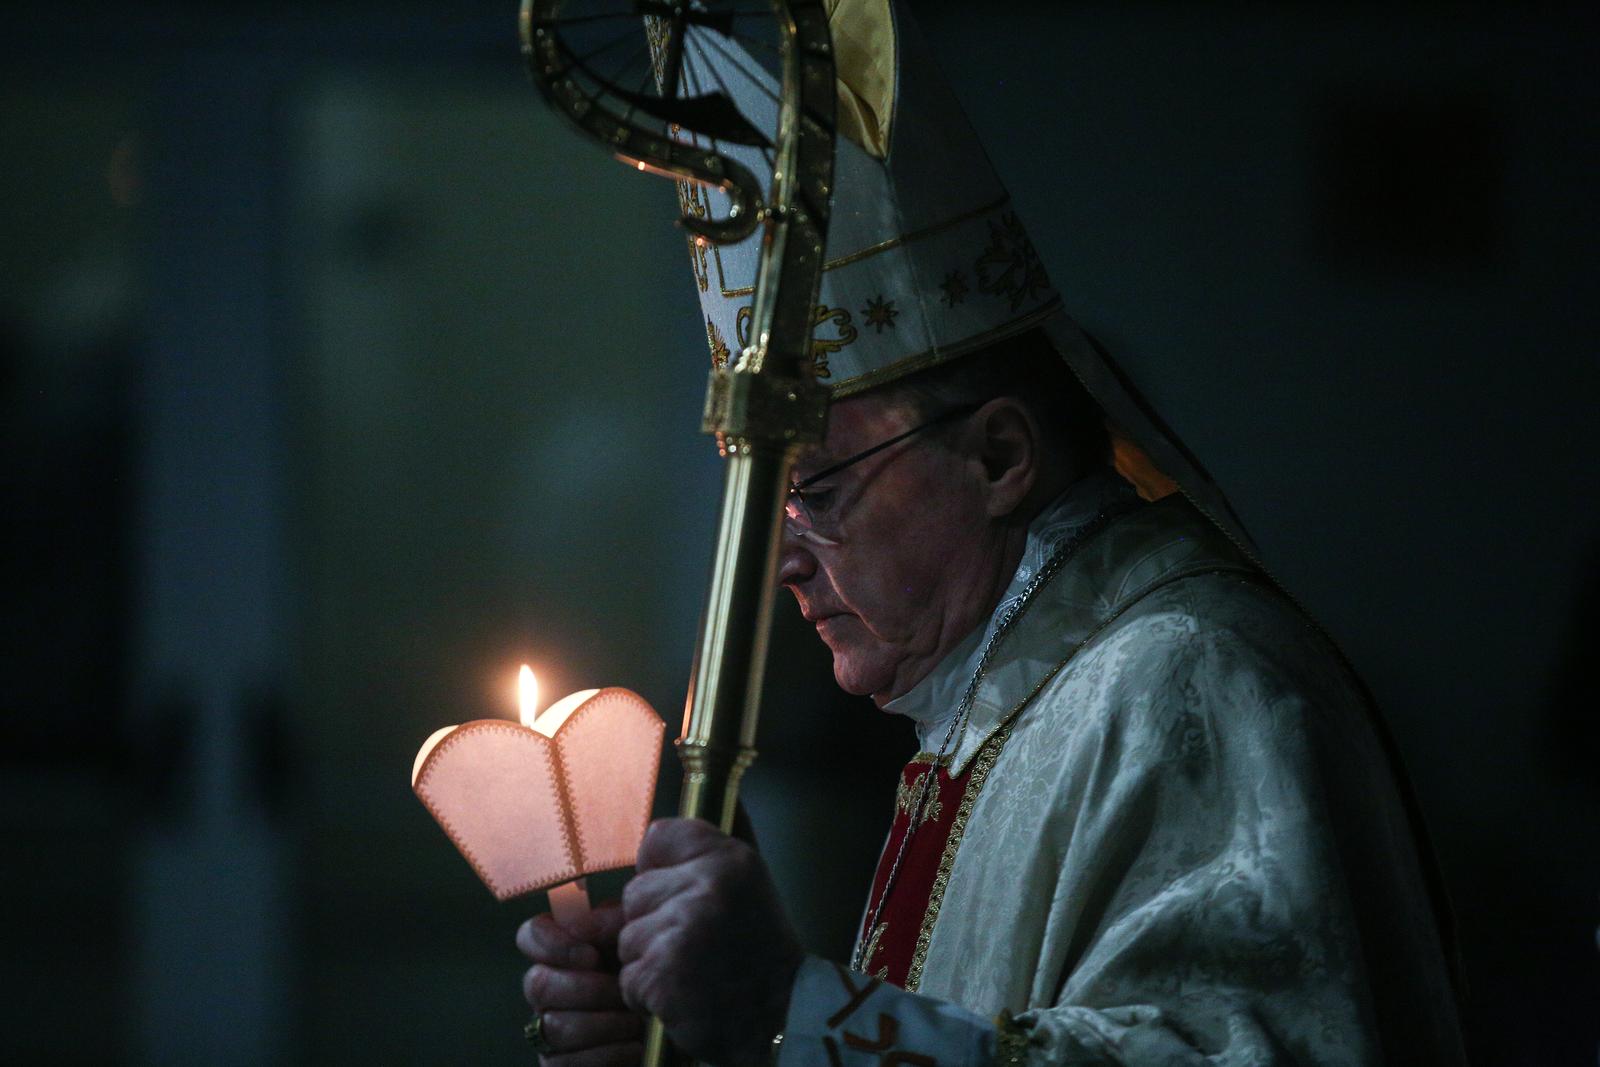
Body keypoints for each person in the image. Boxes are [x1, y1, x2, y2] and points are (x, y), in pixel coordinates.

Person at [518, 2, 1467, 1064]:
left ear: (999, 458)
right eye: (769, 504)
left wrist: (793, 1009)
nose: (781, 560)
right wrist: (719, 1034)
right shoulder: (987, 705)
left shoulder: (1183, 681)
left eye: (818, 491)